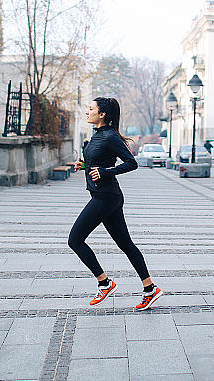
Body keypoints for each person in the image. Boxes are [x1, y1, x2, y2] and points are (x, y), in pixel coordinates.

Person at [70, 97, 162, 310]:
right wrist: (84, 165)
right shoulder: (98, 135)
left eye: (91, 109)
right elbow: (98, 161)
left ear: (102, 114)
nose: (87, 112)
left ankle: (105, 283)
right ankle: (150, 289)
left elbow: (132, 163)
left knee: (75, 240)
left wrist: (104, 172)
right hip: (103, 196)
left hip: (106, 197)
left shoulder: (110, 136)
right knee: (126, 244)